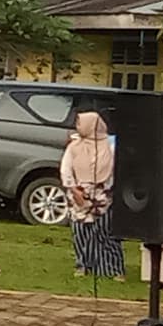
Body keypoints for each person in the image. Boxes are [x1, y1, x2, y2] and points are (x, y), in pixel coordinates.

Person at [61, 111, 124, 279]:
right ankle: (83, 266)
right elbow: (66, 170)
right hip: (79, 197)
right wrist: (74, 190)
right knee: (81, 232)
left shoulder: (110, 147)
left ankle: (112, 269)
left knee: (103, 233)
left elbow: (114, 172)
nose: (78, 127)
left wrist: (104, 191)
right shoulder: (74, 147)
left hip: (103, 197)